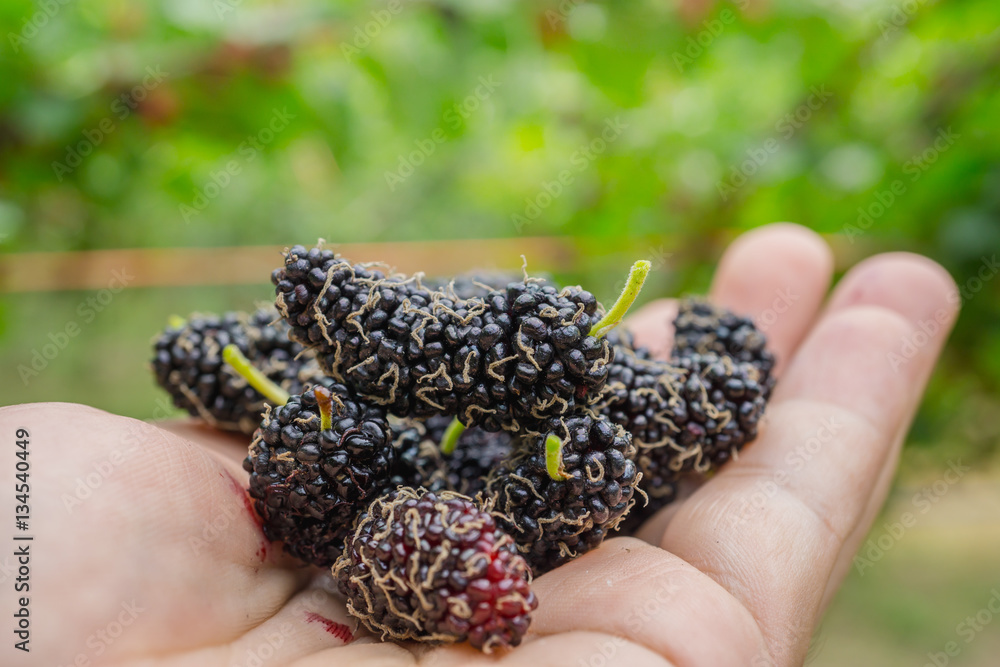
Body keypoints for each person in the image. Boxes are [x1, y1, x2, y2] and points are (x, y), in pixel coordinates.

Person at [1, 223, 959, 667]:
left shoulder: (586, 412)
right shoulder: (334, 421)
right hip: (371, 466)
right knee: (340, 413)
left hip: (492, 460)